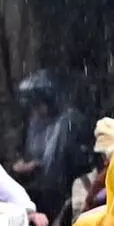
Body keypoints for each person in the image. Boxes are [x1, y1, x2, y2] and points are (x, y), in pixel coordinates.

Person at [13, 70, 88, 217]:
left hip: (59, 193)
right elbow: (27, 152)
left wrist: (39, 168)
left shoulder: (67, 121)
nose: (35, 110)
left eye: (38, 104)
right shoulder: (35, 122)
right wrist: (23, 166)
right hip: (35, 191)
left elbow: (60, 164)